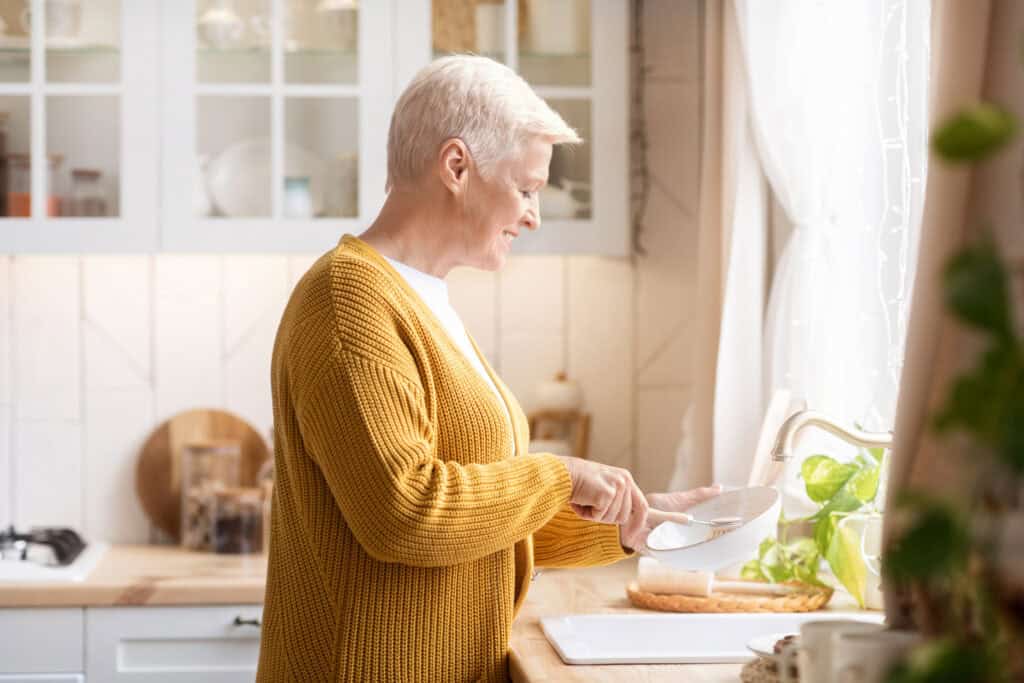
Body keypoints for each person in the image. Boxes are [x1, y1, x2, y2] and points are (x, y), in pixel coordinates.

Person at [256, 55, 720, 683]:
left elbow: (478, 529)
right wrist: (562, 476)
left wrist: (629, 521)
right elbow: (407, 515)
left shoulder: (420, 297)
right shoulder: (350, 302)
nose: (533, 214)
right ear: (456, 166)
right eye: (527, 188)